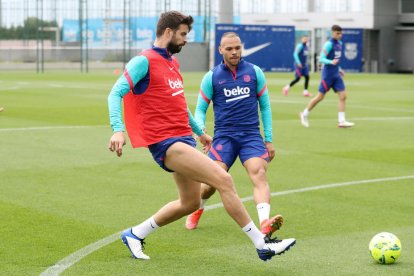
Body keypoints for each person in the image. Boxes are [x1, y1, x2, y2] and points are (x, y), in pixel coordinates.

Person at [107, 11, 295, 262]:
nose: (186, 40)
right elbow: (115, 93)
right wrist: (118, 128)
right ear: (168, 32)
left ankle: (135, 234)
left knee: (190, 202)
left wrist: (200, 133)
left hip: (183, 138)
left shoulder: (172, 63)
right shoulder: (144, 61)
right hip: (166, 142)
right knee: (224, 180)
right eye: (183, 34)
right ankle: (262, 244)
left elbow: (178, 106)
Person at [185, 32, 285, 240]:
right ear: (220, 50)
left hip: (251, 136)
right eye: (229, 49)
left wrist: (269, 138)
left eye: (237, 48)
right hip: (224, 138)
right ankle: (198, 208)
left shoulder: (255, 72)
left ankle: (264, 223)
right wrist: (201, 130)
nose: (234, 52)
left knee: (259, 173)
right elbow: (201, 108)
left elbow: (265, 107)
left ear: (242, 48)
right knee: (210, 185)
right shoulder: (211, 77)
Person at [299, 25, 354, 128]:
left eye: (341, 33)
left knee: (343, 96)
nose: (340, 35)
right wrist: (331, 62)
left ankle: (341, 121)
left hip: (336, 74)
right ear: (332, 33)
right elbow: (321, 59)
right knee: (320, 97)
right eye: (338, 33)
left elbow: (337, 59)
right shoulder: (328, 44)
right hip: (327, 75)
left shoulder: (340, 44)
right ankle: (304, 113)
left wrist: (339, 69)